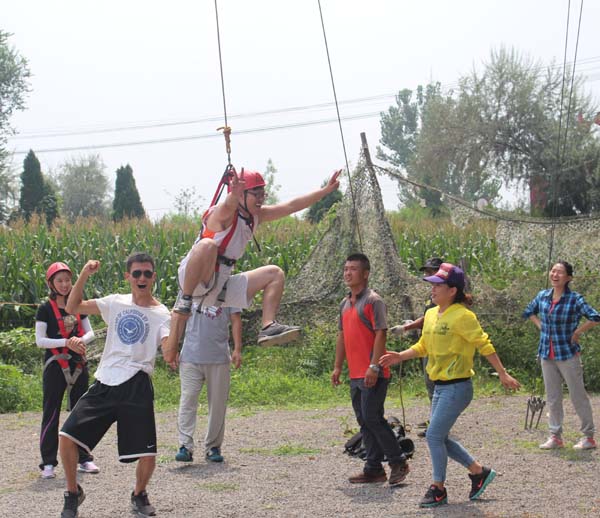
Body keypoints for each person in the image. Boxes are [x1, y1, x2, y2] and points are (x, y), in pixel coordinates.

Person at [380, 263, 520, 508]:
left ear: (453, 290)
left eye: (438, 285)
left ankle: (438, 489)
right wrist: (400, 356)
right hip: (439, 386)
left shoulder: (464, 316)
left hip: (458, 388)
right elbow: (423, 346)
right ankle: (478, 472)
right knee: (439, 437)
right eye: (432, 284)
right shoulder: (432, 314)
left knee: (434, 436)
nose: (432, 289)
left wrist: (503, 373)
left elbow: (484, 345)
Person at [166, 168, 341, 353]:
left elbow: (291, 206)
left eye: (262, 194)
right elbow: (228, 206)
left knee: (275, 274)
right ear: (241, 195)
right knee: (207, 245)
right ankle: (184, 301)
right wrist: (234, 195)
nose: (260, 199)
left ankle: (268, 326)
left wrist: (325, 191)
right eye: (255, 194)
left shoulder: (256, 216)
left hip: (218, 288)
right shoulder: (222, 214)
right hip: (195, 280)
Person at [59, 253, 172, 518]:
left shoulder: (162, 314)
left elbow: (168, 353)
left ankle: (139, 494)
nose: (142, 278)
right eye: (137, 273)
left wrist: (178, 322)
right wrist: (84, 274)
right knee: (66, 436)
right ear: (128, 276)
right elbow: (72, 307)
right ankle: (73, 493)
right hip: (106, 380)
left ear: (154, 277)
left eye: (147, 273)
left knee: (147, 453)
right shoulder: (115, 302)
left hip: (137, 383)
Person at [331, 253, 410, 487]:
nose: (348, 273)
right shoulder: (344, 304)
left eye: (353, 269)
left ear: (365, 274)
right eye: (346, 269)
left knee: (373, 418)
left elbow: (381, 333)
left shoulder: (374, 301)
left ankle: (398, 461)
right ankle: (373, 469)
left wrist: (374, 367)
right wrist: (337, 366)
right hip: (355, 373)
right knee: (364, 420)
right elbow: (342, 336)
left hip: (373, 372)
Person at [523, 260, 600, 450]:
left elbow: (595, 317)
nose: (555, 275)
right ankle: (555, 436)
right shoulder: (543, 296)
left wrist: (578, 332)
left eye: (560, 272)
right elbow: (528, 311)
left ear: (568, 278)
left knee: (577, 395)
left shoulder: (574, 299)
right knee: (553, 396)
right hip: (546, 353)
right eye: (553, 271)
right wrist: (541, 326)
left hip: (567, 354)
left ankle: (588, 437)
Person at [35, 262, 99, 479]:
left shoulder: (78, 303)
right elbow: (40, 340)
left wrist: (79, 340)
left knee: (81, 412)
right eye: (59, 281)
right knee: (51, 411)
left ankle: (84, 458)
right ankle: (48, 463)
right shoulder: (45, 309)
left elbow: (90, 333)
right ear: (51, 284)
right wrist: (66, 342)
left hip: (78, 362)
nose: (64, 285)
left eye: (67, 280)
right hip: (55, 365)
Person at [174, 305, 242, 464]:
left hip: (219, 357)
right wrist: (173, 347)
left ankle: (213, 447)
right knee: (187, 400)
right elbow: (179, 318)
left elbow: (236, 319)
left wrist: (238, 349)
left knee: (217, 404)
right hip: (190, 356)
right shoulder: (187, 291)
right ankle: (185, 445)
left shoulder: (230, 291)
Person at [390, 257, 443, 436]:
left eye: (431, 270)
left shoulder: (443, 295)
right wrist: (409, 326)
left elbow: (428, 319)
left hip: (437, 346)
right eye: (426, 271)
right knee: (431, 385)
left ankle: (437, 425)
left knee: (436, 385)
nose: (427, 274)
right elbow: (427, 318)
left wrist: (407, 327)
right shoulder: (433, 295)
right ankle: (435, 420)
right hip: (427, 344)